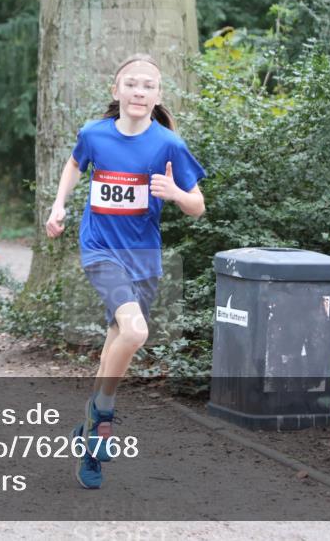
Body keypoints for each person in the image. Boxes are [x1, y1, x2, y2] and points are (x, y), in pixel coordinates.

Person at [44, 53, 206, 489]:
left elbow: (198, 206)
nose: (139, 91)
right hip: (100, 251)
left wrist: (175, 193)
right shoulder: (94, 134)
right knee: (134, 333)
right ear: (116, 92)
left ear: (157, 96)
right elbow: (76, 163)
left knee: (118, 340)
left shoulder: (168, 145)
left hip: (144, 257)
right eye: (131, 84)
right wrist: (59, 205)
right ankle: (103, 414)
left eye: (148, 85)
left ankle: (89, 439)